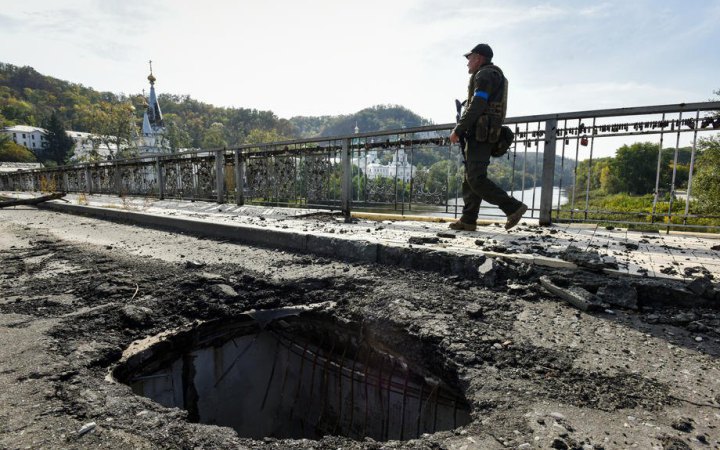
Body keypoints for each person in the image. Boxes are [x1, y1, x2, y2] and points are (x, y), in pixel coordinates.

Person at [449, 43, 528, 231]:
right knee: (470, 178)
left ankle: (513, 207)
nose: (467, 63)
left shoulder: (484, 74)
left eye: (469, 59)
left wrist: (459, 129)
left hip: (480, 134)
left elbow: (478, 103)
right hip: (480, 133)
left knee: (476, 178)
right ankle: (468, 220)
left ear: (479, 58)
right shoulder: (490, 74)